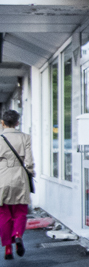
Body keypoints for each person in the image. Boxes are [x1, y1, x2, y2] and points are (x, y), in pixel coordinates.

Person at [0, 110, 34, 259]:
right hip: (20, 176)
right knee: (20, 211)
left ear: (3, 123)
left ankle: (8, 248)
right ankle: (18, 234)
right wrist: (30, 172)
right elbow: (29, 161)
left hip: (2, 177)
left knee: (3, 214)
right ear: (17, 123)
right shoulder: (25, 137)